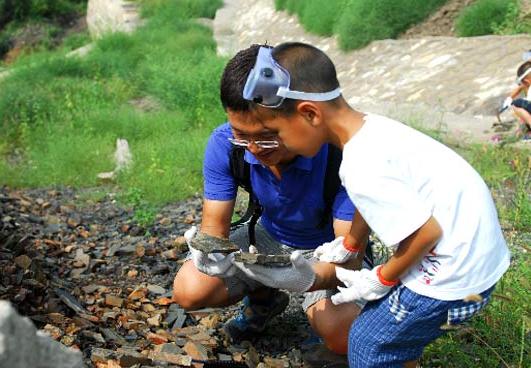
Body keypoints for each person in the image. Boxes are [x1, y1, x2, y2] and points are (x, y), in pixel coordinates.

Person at [236, 42, 510, 367]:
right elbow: (373, 200)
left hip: (453, 281)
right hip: (482, 262)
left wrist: (382, 278)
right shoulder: (372, 129)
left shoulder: (360, 165)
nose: (277, 143)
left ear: (309, 113)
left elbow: (426, 233)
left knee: (369, 342)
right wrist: (351, 244)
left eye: (276, 131)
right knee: (390, 336)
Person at [172, 44, 369, 354]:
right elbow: (214, 228)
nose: (253, 148)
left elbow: (350, 258)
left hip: (328, 249)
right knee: (190, 289)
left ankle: (316, 315)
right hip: (268, 234)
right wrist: (210, 253)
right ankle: (265, 298)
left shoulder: (341, 155)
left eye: (267, 135)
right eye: (242, 134)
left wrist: (303, 278)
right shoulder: (225, 143)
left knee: (342, 334)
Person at [501, 60, 531, 139]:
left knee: (517, 105)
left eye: (522, 83)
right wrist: (509, 98)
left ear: (526, 82)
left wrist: (513, 103)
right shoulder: (527, 84)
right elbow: (520, 88)